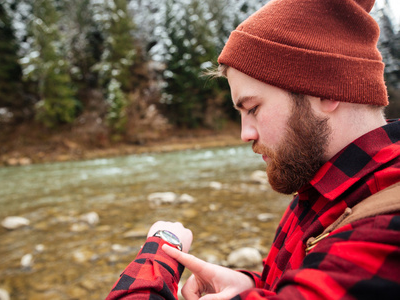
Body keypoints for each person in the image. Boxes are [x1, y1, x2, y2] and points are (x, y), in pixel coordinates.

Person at [106, 0, 400, 299]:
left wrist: (160, 253)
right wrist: (256, 286)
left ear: (326, 90)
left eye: (253, 108)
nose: (245, 134)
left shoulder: (386, 232)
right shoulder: (322, 185)